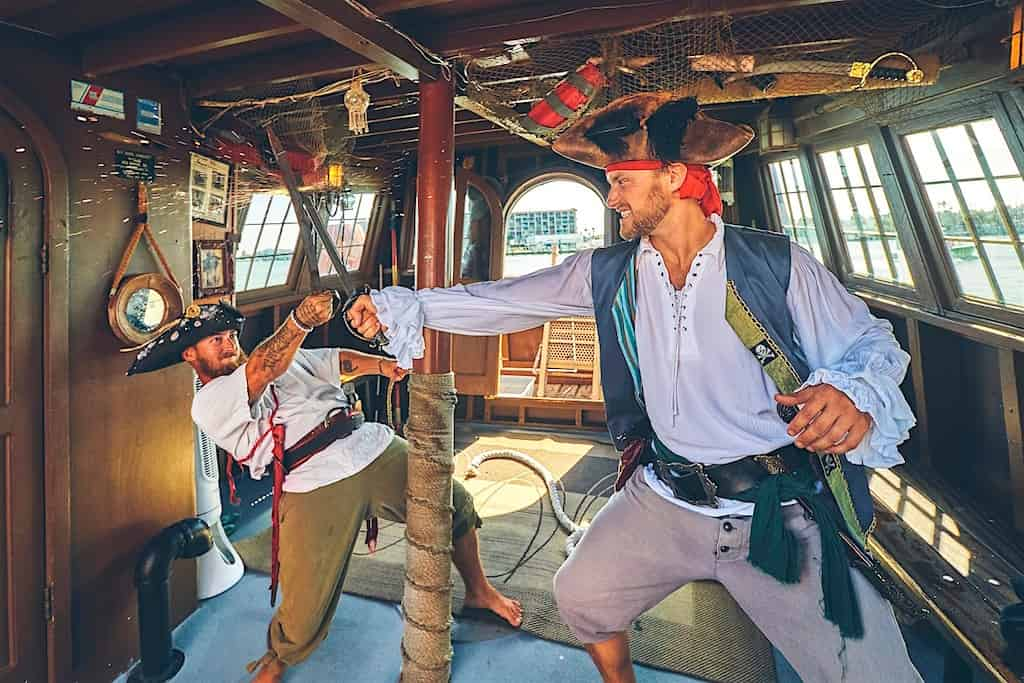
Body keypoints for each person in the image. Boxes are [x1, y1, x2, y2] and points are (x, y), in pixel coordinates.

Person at [346, 93, 923, 682]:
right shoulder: (611, 271)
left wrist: (853, 396)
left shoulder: (776, 264)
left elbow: (871, 346)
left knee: (878, 675)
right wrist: (405, 306)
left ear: (675, 176)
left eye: (622, 181)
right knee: (581, 598)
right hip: (665, 498)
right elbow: (502, 300)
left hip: (774, 510)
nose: (611, 196)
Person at [126, 293, 522, 683]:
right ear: (190, 356)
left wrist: (385, 367)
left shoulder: (287, 360)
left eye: (231, 335)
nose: (229, 344)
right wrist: (299, 320)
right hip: (313, 478)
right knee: (303, 610)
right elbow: (263, 369)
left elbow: (337, 362)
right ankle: (278, 659)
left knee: (457, 503)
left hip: (369, 444)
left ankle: (479, 591)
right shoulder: (210, 401)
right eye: (216, 340)